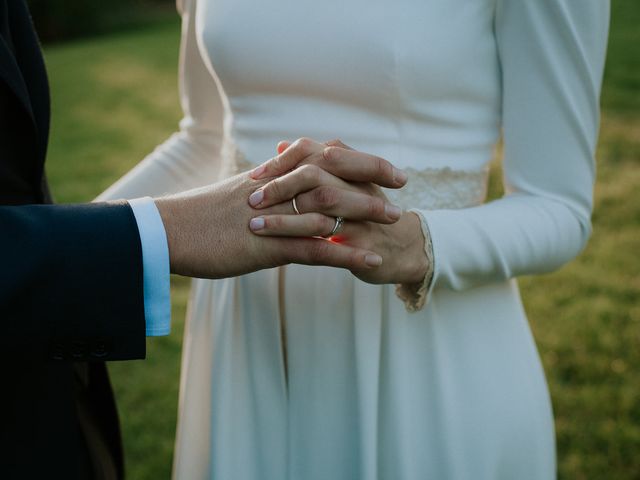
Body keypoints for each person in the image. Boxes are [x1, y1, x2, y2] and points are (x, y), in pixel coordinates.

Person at [100, 0, 610, 478]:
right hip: (245, 336)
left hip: (423, 346)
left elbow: (559, 207)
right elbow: (206, 138)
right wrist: (66, 241)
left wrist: (419, 243)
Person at [0, 1, 405, 478]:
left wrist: (426, 246)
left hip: (409, 315)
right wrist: (132, 240)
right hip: (242, 315)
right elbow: (205, 135)